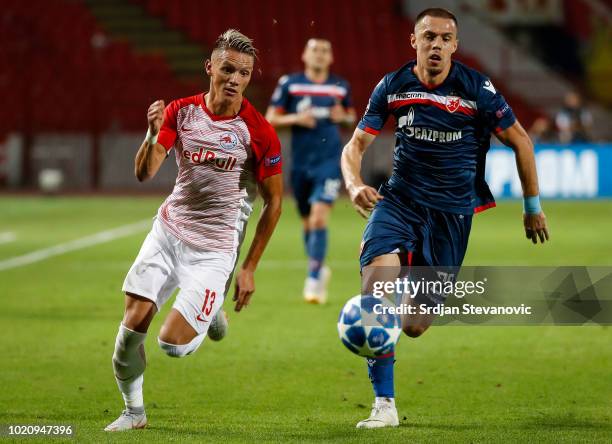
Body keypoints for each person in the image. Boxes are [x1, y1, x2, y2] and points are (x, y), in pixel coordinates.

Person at [341, 8, 549, 428]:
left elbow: (522, 143)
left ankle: (389, 317)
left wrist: (532, 207)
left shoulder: (477, 90)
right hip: (397, 203)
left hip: (451, 217)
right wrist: (353, 184)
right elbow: (355, 146)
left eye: (445, 38)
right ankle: (384, 405)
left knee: (415, 325)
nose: (436, 45)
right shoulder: (394, 85)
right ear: (413, 41)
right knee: (376, 290)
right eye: (429, 36)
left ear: (455, 45)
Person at [104, 29, 283, 432]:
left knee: (173, 344)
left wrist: (249, 267)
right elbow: (145, 172)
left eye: (244, 72)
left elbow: (275, 203)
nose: (235, 78)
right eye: (228, 69)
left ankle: (211, 306)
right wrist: (151, 133)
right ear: (210, 68)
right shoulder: (182, 112)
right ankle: (134, 414)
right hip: (168, 234)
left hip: (214, 251)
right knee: (129, 334)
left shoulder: (258, 131)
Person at [266, 38, 356, 304]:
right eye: (315, 50)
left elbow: (351, 116)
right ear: (305, 55)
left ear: (331, 58)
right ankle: (317, 266)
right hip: (301, 164)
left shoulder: (340, 87)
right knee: (307, 222)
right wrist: (296, 118)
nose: (319, 54)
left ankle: (314, 277)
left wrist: (345, 117)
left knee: (318, 218)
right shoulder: (290, 84)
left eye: (325, 51)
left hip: (328, 162)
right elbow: (270, 118)